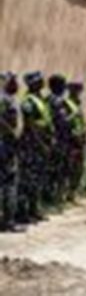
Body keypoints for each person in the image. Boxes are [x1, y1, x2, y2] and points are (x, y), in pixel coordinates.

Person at [19, 72, 52, 222]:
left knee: (38, 178)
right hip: (31, 145)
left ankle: (34, 210)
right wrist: (41, 144)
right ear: (32, 83)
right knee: (28, 179)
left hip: (40, 144)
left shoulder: (40, 100)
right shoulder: (28, 101)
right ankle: (23, 213)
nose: (42, 83)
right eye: (39, 81)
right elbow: (30, 126)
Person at [0, 73, 24, 232]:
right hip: (5, 145)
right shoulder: (4, 99)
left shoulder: (9, 99)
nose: (16, 84)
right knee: (10, 182)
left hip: (8, 144)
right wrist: (12, 133)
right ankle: (8, 221)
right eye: (12, 81)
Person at [47, 74, 72, 207]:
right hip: (59, 139)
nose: (65, 87)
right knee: (58, 169)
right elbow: (63, 121)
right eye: (63, 85)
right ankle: (55, 199)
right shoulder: (58, 101)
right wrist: (73, 115)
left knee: (53, 169)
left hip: (53, 138)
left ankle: (52, 197)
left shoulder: (47, 99)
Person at [65, 81, 86, 202]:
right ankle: (67, 192)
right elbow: (66, 123)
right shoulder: (67, 104)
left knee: (79, 168)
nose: (79, 93)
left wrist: (83, 134)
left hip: (79, 141)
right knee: (71, 168)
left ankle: (72, 192)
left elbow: (80, 121)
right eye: (77, 90)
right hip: (71, 141)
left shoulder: (77, 104)